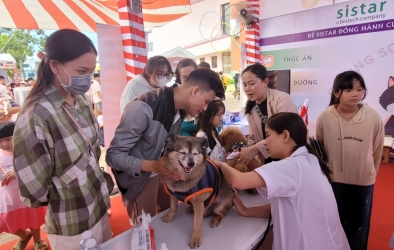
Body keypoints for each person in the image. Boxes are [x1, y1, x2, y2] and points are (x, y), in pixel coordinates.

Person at [12, 29, 112, 249]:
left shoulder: (82, 101)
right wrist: (64, 192)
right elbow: (34, 190)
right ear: (55, 66)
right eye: (81, 70)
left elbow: (93, 151)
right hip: (71, 222)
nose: (87, 78)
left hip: (99, 206)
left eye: (90, 71)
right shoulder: (37, 115)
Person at [106, 68, 225, 226]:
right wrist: (153, 166)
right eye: (207, 102)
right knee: (145, 229)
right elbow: (113, 156)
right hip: (138, 181)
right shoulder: (143, 107)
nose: (205, 108)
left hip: (164, 175)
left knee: (168, 221)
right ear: (195, 91)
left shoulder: (179, 110)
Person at [216, 112, 350, 250]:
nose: (265, 142)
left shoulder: (291, 167)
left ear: (285, 136)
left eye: (268, 135)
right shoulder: (310, 159)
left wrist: (221, 164)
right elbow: (284, 206)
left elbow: (239, 181)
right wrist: (246, 211)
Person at [316, 70, 384, 250]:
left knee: (358, 227)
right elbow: (321, 151)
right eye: (349, 90)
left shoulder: (373, 117)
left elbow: (377, 150)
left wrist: (370, 174)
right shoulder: (325, 117)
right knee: (332, 223)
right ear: (336, 92)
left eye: (360, 89)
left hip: (362, 182)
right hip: (334, 182)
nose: (356, 94)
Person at [236, 63, 298, 164]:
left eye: (251, 84)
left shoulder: (282, 99)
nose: (247, 89)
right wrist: (245, 151)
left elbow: (285, 134)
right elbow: (252, 137)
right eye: (244, 84)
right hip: (268, 159)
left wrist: (255, 149)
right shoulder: (251, 108)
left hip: (289, 158)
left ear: (265, 82)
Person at [0, 122, 48, 250]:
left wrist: (17, 172)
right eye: (1, 141)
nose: (4, 144)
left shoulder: (24, 150)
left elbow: (36, 166)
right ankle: (24, 236)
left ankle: (38, 239)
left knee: (32, 216)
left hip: (27, 192)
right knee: (5, 221)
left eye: (8, 139)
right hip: (9, 196)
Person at [174, 58, 198, 136]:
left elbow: (216, 124)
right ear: (179, 78)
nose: (189, 80)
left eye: (192, 75)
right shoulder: (175, 98)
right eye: (184, 77)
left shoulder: (206, 94)